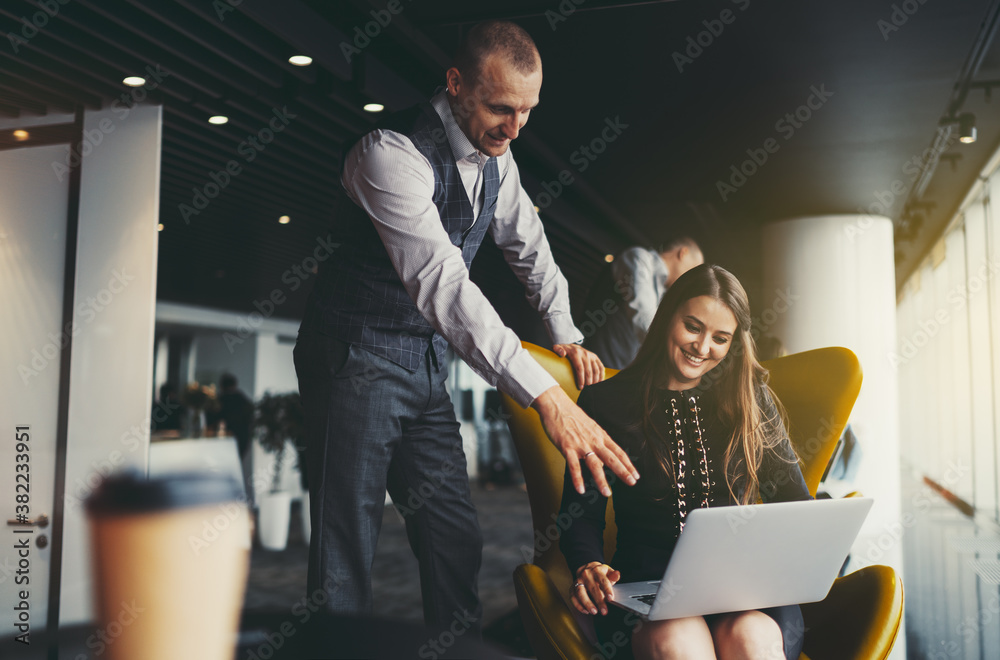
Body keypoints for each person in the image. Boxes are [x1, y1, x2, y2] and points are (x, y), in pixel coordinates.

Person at [293, 20, 638, 636]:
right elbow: (444, 286)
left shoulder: (497, 163)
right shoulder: (389, 152)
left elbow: (529, 247)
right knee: (345, 555)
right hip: (354, 359)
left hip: (423, 369)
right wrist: (546, 395)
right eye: (500, 107)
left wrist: (565, 328)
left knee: (455, 538)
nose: (515, 127)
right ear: (455, 83)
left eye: (527, 111)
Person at [559, 264, 811, 660]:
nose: (702, 346)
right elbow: (580, 514)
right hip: (645, 590)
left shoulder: (753, 401)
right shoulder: (604, 402)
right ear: (666, 318)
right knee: (681, 642)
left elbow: (796, 503)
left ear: (735, 343)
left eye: (720, 338)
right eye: (692, 326)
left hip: (743, 591)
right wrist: (587, 564)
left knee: (752, 639)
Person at [585, 238, 704, 370]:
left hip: (617, 372)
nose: (690, 280)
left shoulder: (663, 292)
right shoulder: (639, 258)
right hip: (593, 365)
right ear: (683, 253)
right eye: (693, 270)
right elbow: (643, 314)